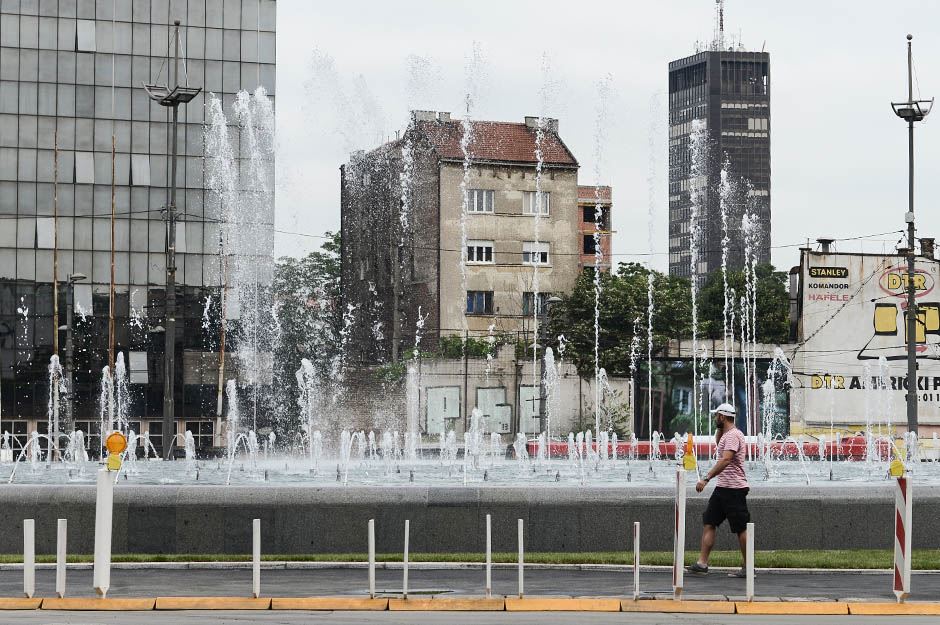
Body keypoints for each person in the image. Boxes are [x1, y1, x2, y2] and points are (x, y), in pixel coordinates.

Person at [686, 402, 750, 578]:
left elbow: (725, 460)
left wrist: (706, 478)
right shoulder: (726, 435)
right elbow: (718, 441)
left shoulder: (733, 435)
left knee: (741, 528)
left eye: (717, 416)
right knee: (709, 522)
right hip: (722, 488)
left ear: (722, 417)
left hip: (734, 489)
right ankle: (702, 563)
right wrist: (721, 427)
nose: (714, 418)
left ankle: (748, 567)